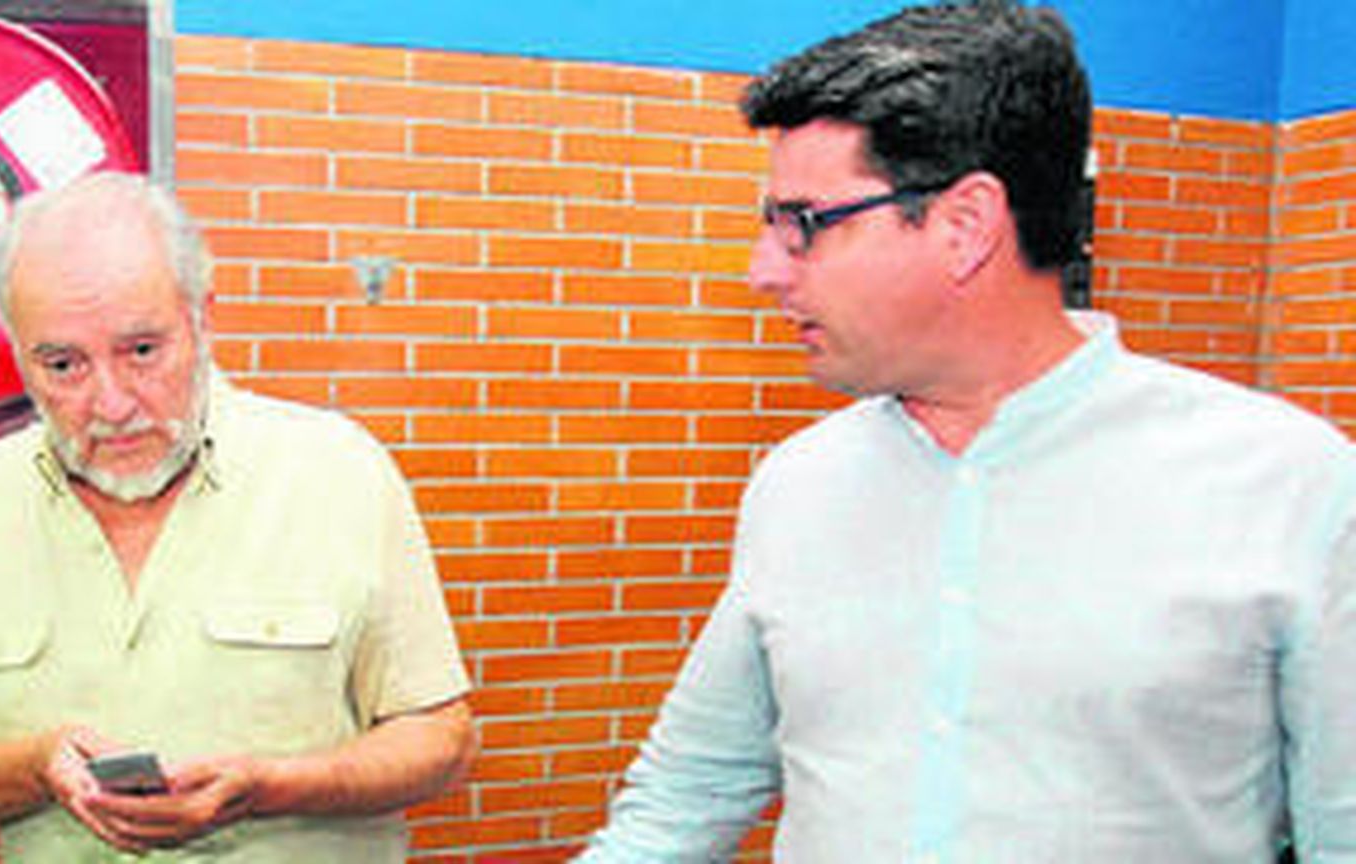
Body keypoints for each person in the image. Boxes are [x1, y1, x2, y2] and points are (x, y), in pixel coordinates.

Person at [580, 2, 1356, 861]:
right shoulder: (799, 486)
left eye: (803, 224)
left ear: (965, 225)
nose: (764, 271)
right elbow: (687, 796)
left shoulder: (1291, 486)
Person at [0, 172, 475, 861]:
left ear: (202, 318)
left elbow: (442, 740)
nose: (112, 403)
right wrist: (32, 769)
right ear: (18, 352)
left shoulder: (340, 472)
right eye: (63, 365)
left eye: (142, 351)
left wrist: (272, 786)